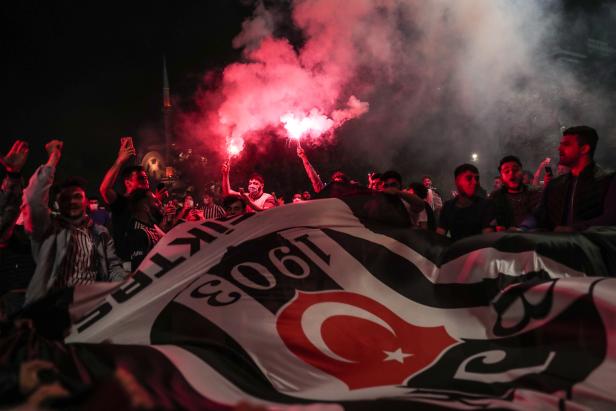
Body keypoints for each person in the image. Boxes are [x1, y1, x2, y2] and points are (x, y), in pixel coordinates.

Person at [22, 140, 127, 303]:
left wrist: (127, 285)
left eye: (77, 196)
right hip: (53, 309)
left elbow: (113, 267)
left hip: (91, 308)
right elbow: (33, 200)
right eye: (66, 198)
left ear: (86, 201)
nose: (72, 201)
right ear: (58, 203)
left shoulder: (100, 233)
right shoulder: (48, 228)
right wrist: (53, 160)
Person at [536, 126, 616, 231]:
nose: (559, 148)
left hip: (590, 246)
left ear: (584, 149)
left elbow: (611, 217)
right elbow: (538, 215)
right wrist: (523, 227)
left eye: (566, 145)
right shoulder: (555, 184)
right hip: (558, 246)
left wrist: (575, 229)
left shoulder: (608, 180)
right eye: (561, 145)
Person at [99, 137, 150, 261]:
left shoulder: (146, 205)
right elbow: (104, 189)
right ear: (128, 182)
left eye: (146, 177)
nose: (146, 181)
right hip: (127, 266)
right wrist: (120, 161)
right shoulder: (121, 203)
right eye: (140, 178)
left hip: (148, 264)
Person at [437, 164, 495, 241]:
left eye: (477, 179)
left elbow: (488, 239)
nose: (475, 182)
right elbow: (439, 236)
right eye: (469, 178)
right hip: (456, 251)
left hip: (480, 251)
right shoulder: (448, 206)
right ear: (457, 181)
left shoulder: (485, 205)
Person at [490, 156, 542, 231]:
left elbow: (537, 215)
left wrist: (523, 228)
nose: (511, 174)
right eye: (506, 171)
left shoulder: (533, 192)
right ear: (501, 176)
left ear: (522, 172)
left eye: (515, 170)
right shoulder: (495, 196)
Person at [125, 189, 165, 271]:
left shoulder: (151, 226)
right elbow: (139, 270)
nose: (160, 204)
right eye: (155, 201)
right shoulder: (138, 232)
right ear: (144, 206)